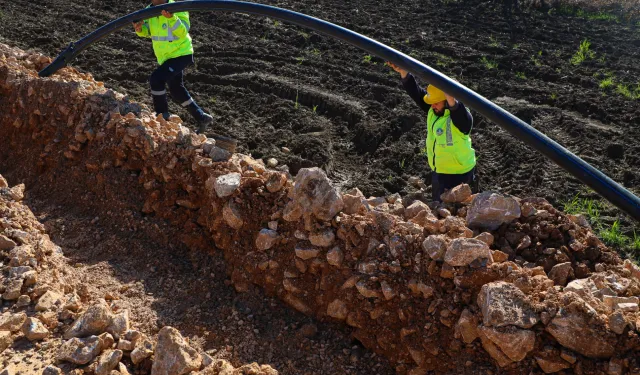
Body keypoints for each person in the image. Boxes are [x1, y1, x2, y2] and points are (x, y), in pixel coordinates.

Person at [388, 62, 478, 201]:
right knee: (439, 208)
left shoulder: (461, 118)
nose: (432, 105)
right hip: (440, 171)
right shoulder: (433, 110)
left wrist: (450, 95)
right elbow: (416, 93)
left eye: (437, 102)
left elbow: (458, 112)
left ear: (448, 101)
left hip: (461, 174)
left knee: (461, 211)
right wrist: (404, 72)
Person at [133, 0, 213, 134]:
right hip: (166, 58)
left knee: (156, 79)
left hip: (181, 54)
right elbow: (148, 32)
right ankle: (202, 117)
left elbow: (183, 31)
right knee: (176, 90)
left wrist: (171, 18)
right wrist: (140, 28)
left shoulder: (176, 7)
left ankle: (162, 118)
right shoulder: (149, 10)